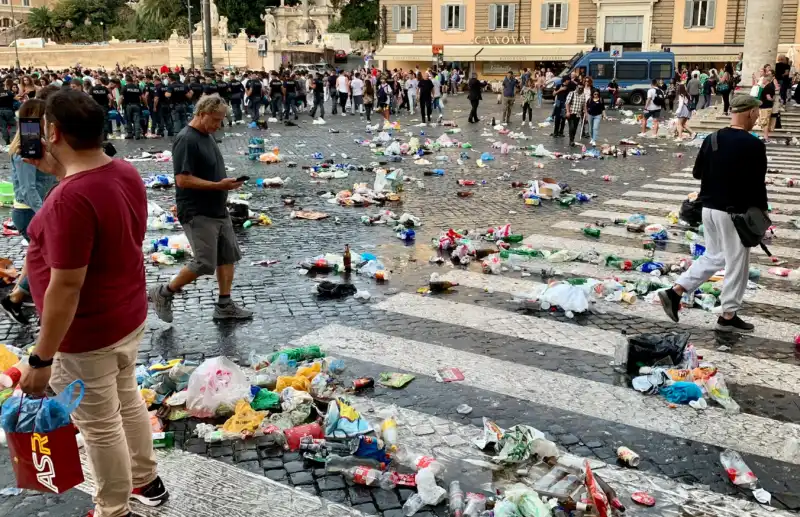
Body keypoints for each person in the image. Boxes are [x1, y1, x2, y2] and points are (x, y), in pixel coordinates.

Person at [18, 88, 169, 517]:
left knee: (101, 427)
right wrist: (55, 167)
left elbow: (65, 287)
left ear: (52, 131)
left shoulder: (69, 200)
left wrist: (40, 358)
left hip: (86, 333)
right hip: (126, 314)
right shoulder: (123, 172)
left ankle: (113, 509)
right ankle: (146, 479)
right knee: (128, 400)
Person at [658, 96, 765, 333]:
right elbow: (757, 186)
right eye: (757, 112)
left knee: (715, 256)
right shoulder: (754, 145)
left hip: (709, 210)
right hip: (735, 214)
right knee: (738, 262)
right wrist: (763, 216)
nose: (758, 117)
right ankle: (728, 315)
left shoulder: (712, 139)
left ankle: (675, 291)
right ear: (748, 113)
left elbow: (698, 173)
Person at [149, 94, 253, 323]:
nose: (218, 125)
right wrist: (218, 185)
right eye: (216, 120)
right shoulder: (186, 139)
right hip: (197, 211)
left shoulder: (207, 136)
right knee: (205, 262)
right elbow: (182, 180)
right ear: (202, 113)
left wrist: (227, 185)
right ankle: (163, 292)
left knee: (227, 256)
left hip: (217, 207)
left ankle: (224, 305)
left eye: (221, 120)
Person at [0, 100, 59, 324]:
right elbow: (27, 189)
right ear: (39, 118)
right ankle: (22, 300)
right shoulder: (24, 150)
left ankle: (16, 298)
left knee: (40, 259)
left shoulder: (38, 143)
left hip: (37, 211)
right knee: (49, 261)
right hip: (30, 213)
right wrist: (46, 214)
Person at [121, 75, 143, 139]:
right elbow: (142, 97)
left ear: (126, 81)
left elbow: (121, 97)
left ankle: (130, 134)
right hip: (136, 105)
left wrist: (119, 105)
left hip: (128, 105)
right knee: (136, 120)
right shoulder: (137, 87)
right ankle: (137, 134)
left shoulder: (124, 87)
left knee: (128, 120)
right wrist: (145, 104)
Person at [758, 73, 776, 141]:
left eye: (763, 79)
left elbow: (769, 97)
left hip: (765, 107)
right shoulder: (771, 86)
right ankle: (766, 136)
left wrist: (771, 100)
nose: (762, 80)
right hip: (768, 106)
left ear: (766, 79)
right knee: (766, 121)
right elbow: (773, 96)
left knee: (765, 122)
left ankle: (766, 137)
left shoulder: (767, 87)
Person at [0, 78, 15, 145]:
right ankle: (15, 141)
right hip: (9, 110)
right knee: (13, 126)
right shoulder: (8, 92)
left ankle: (7, 142)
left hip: (0, 111)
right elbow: (14, 97)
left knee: (3, 127)